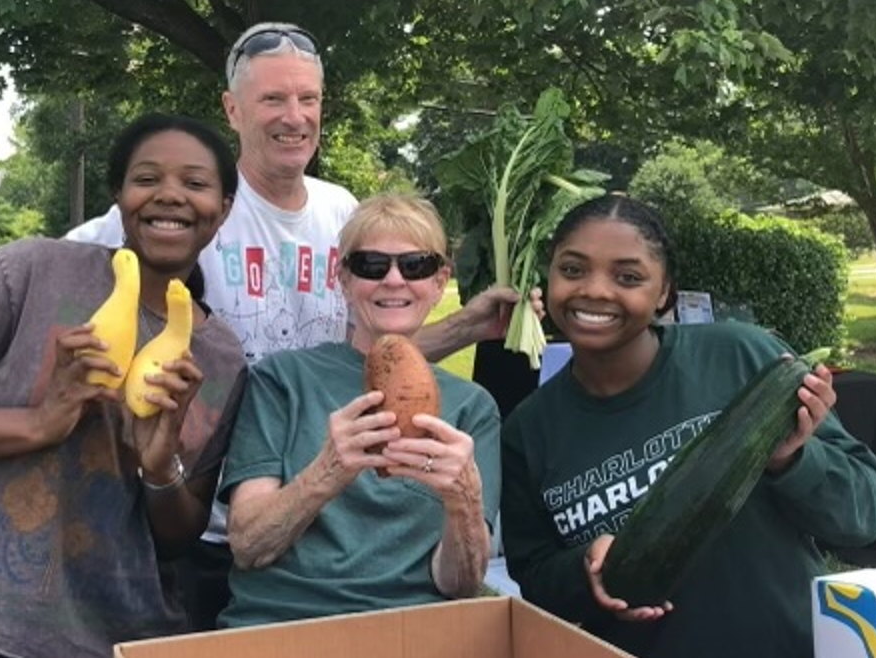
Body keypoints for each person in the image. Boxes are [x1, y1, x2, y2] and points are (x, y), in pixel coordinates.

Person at [65, 21, 530, 630]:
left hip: (305, 524)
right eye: (273, 99)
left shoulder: (339, 208)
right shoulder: (196, 207)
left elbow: (376, 347)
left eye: (308, 99)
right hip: (202, 506)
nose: (294, 116)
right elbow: (62, 273)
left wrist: (466, 328)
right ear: (233, 109)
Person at [0, 113, 248, 658]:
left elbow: (177, 536)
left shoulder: (220, 357)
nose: (170, 196)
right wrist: (39, 422)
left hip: (124, 639)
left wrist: (158, 465)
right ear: (118, 196)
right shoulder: (32, 273)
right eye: (146, 179)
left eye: (195, 183)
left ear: (224, 210)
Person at [498, 194, 876, 658]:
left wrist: (792, 459)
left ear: (664, 292)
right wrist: (586, 570)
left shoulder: (742, 357)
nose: (596, 291)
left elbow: (864, 513)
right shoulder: (529, 430)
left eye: (628, 276)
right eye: (573, 269)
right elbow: (537, 581)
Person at [215, 193, 501, 628]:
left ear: (440, 281)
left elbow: (459, 585)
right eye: (371, 265)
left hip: (408, 632)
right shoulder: (282, 380)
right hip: (282, 625)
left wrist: (462, 498)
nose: (393, 280)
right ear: (342, 278)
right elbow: (248, 545)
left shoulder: (471, 408)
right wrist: (328, 470)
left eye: (415, 265)